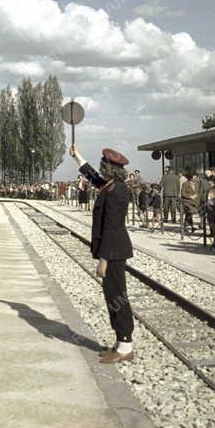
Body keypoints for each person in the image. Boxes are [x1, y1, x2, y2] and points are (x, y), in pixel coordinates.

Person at [69, 143, 135, 364]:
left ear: (110, 169)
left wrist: (103, 260)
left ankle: (125, 345)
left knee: (117, 296)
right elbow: (93, 177)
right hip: (113, 250)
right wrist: (78, 156)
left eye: (103, 165)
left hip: (114, 252)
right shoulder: (112, 187)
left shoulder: (116, 192)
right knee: (112, 295)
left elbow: (112, 227)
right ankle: (119, 343)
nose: (101, 168)